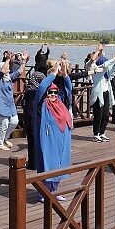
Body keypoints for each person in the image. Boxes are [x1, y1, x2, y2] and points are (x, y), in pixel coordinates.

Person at [33, 61, 73, 202]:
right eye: (51, 92)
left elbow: (69, 88)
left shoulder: (60, 102)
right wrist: (54, 73)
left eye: (55, 92)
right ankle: (43, 192)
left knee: (60, 164)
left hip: (62, 139)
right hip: (47, 139)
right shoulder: (41, 104)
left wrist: (65, 74)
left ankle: (54, 191)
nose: (53, 95)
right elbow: (42, 87)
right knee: (47, 163)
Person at [0, 51, 29, 150]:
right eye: (7, 67)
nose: (9, 69)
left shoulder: (9, 77)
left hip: (10, 104)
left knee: (14, 121)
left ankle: (5, 138)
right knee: (4, 123)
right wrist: (8, 59)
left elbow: (20, 71)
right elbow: (3, 70)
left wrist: (24, 60)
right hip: (1, 104)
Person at [87, 44, 115, 143]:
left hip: (106, 93)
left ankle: (102, 133)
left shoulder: (106, 73)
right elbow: (105, 65)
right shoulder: (97, 70)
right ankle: (96, 134)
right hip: (98, 95)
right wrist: (114, 57)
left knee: (106, 115)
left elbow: (113, 66)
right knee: (98, 115)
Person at [23, 71, 46, 170]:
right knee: (38, 142)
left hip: (29, 119)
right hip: (37, 119)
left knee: (31, 142)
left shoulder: (28, 90)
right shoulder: (39, 93)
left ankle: (33, 163)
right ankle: (38, 163)